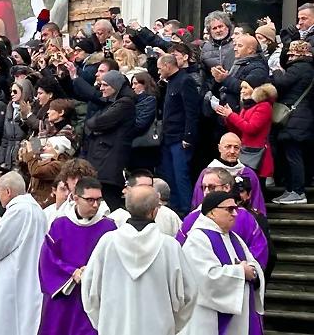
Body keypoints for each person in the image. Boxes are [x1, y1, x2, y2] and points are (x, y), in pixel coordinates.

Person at [82, 186, 197, 335]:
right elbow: (188, 294)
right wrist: (172, 325)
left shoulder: (107, 243)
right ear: (154, 211)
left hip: (114, 328)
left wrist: (105, 323)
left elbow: (90, 290)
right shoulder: (169, 247)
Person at [38, 177, 116, 335]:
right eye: (90, 200)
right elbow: (48, 259)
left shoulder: (109, 227)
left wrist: (92, 272)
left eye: (98, 200)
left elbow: (115, 262)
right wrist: (73, 272)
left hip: (94, 297)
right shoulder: (60, 224)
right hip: (65, 295)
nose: (95, 205)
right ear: (76, 198)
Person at [180, 191, 265, 335]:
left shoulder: (234, 237)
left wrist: (253, 272)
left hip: (241, 314)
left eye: (235, 209)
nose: (235, 214)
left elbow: (252, 264)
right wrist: (241, 272)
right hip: (209, 317)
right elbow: (205, 279)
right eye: (229, 209)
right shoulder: (198, 239)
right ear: (212, 212)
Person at [0, 171, 47, 335]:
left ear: (8, 191)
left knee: (7, 324)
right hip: (27, 276)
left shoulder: (19, 210)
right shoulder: (36, 210)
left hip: (13, 280)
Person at [177, 168, 269, 269]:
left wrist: (249, 271)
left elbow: (259, 249)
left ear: (226, 188)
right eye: (203, 187)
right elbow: (179, 251)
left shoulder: (245, 217)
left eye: (212, 187)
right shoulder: (192, 218)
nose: (206, 192)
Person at [81, 69, 136, 211]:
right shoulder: (112, 102)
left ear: (115, 86)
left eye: (105, 85)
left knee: (110, 203)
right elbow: (91, 124)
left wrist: (94, 126)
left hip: (109, 163)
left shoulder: (125, 103)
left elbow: (96, 123)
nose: (101, 88)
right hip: (103, 159)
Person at [271, 40, 314, 204]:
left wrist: (276, 72)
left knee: (293, 155)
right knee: (293, 155)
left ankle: (297, 191)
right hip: (302, 117)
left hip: (294, 118)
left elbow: (281, 83)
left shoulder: (298, 68)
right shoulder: (309, 69)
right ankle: (291, 190)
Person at [157, 53, 200, 215]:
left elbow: (191, 111)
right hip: (168, 137)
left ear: (168, 66)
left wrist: (188, 135)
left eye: (160, 68)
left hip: (180, 138)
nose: (159, 71)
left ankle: (186, 210)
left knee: (181, 176)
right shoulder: (169, 83)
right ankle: (174, 209)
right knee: (169, 175)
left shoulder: (185, 80)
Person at [191, 133, 265, 215]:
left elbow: (257, 203)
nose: (232, 151)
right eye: (228, 147)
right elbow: (199, 202)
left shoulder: (248, 174)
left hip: (243, 221)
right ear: (219, 148)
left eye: (236, 147)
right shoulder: (208, 174)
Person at [215, 81, 275, 180]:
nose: (242, 91)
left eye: (245, 88)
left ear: (256, 90)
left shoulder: (264, 106)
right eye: (241, 88)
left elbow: (251, 129)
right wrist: (227, 117)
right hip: (245, 152)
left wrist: (231, 115)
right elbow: (239, 132)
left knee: (256, 186)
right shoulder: (246, 107)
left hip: (256, 154)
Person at [108, 170, 182, 237]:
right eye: (141, 187)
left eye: (150, 187)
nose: (146, 191)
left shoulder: (169, 215)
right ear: (128, 190)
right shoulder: (115, 219)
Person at [0, 79, 33, 169]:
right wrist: (1, 160)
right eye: (11, 91)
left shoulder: (33, 109)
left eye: (15, 91)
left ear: (24, 91)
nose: (12, 94)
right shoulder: (9, 108)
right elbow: (5, 138)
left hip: (22, 156)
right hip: (8, 157)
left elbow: (32, 133)